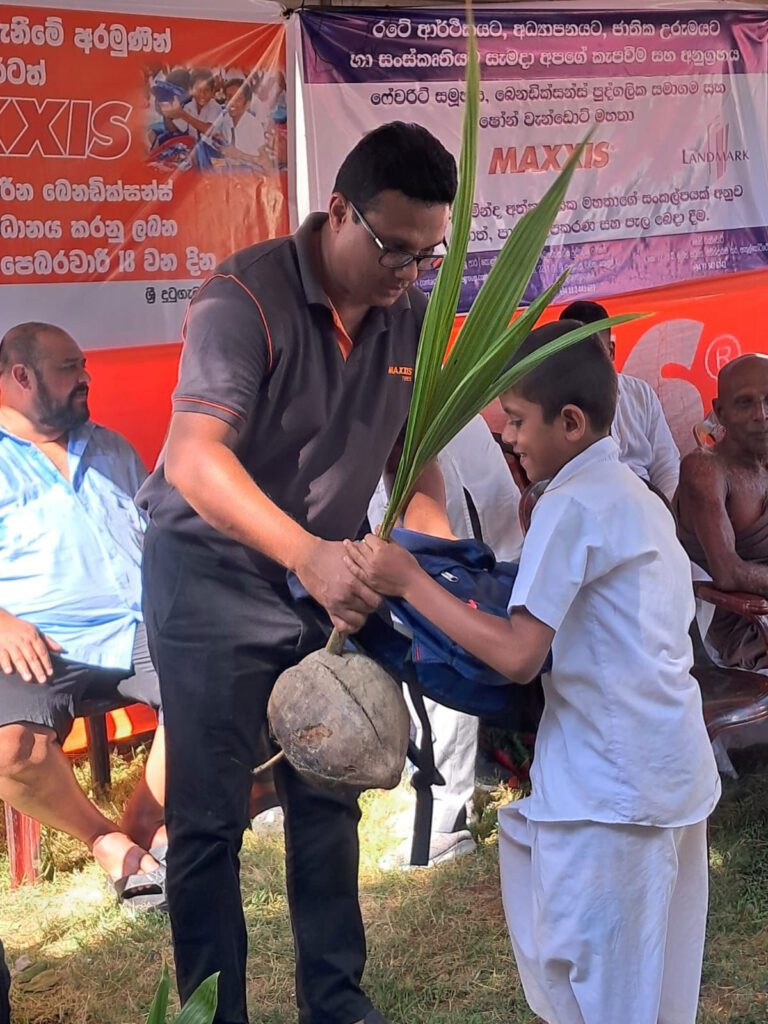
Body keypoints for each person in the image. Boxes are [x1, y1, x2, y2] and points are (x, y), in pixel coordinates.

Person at [137, 121, 457, 1024]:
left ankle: (336, 1001)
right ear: (339, 210)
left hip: (328, 570)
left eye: (428, 256)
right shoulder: (245, 297)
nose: (408, 272)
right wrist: (309, 556)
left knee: (329, 789)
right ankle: (213, 1011)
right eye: (394, 247)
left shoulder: (411, 312)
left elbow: (416, 459)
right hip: (210, 572)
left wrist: (423, 564)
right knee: (208, 817)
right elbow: (196, 462)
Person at [345, 321, 720, 1024]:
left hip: (612, 793)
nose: (506, 436)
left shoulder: (573, 504)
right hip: (665, 769)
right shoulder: (630, 495)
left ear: (571, 422)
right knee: (656, 977)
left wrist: (409, 583)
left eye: (515, 420)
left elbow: (519, 653)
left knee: (600, 978)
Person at [0, 323, 166, 909]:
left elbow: (159, 538)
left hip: (139, 626)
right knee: (10, 748)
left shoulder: (114, 449)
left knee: (215, 686)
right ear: (21, 376)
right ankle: (105, 840)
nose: (86, 378)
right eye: (71, 367)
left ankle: (144, 818)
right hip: (38, 638)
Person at [368, 414, 523, 866]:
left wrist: (425, 589)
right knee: (429, 671)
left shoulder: (410, 405)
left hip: (460, 560)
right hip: (468, 554)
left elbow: (430, 526)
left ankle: (442, 825)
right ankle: (436, 801)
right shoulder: (403, 392)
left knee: (439, 668)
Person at [676, 353, 768, 672]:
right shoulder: (704, 468)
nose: (762, 415)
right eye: (745, 404)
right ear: (719, 411)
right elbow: (728, 573)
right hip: (733, 625)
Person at [560, 299, 680, 499]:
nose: (585, 364)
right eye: (574, 354)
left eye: (594, 353)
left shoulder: (640, 394)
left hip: (649, 504)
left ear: (611, 351)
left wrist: (666, 514)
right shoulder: (554, 405)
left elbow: (667, 466)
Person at [218, 79, 267, 169]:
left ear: (247, 104)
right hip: (231, 170)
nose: (232, 102)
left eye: (238, 99)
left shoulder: (254, 126)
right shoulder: (226, 120)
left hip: (251, 173)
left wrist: (239, 154)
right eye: (229, 97)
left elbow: (264, 161)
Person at [162, 67, 221, 139]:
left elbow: (209, 131)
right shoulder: (189, 106)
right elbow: (173, 129)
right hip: (194, 148)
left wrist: (183, 115)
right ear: (191, 90)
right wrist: (167, 114)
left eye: (207, 90)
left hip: (212, 149)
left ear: (212, 91)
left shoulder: (215, 107)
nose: (202, 94)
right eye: (198, 90)